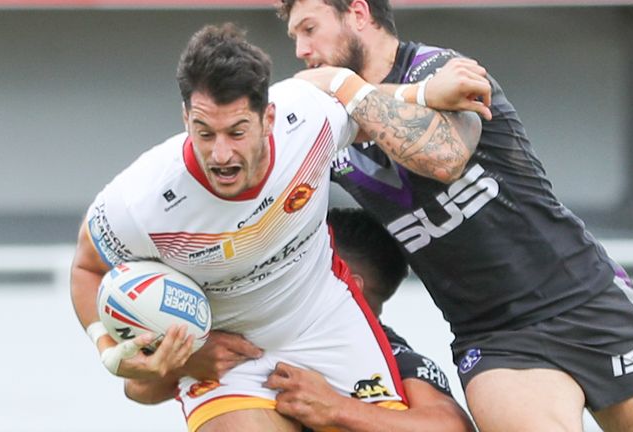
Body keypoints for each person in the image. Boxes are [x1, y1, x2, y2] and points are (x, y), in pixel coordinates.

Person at [70, 22, 486, 432]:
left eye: (237, 131)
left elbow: (367, 106)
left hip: (327, 322)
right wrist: (108, 349)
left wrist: (425, 93)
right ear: (185, 118)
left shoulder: (306, 118)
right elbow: (87, 268)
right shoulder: (141, 200)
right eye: (204, 132)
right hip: (232, 354)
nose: (220, 154)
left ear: (268, 117)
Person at [276, 1, 633, 431]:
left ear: (358, 13)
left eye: (309, 29)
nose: (300, 49)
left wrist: (339, 83)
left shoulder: (440, 69)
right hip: (494, 337)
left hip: (582, 295)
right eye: (295, 36)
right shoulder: (327, 121)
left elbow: (443, 157)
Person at [264, 207, 475, 432]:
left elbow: (452, 427)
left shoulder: (397, 360)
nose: (285, 277)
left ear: (348, 285)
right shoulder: (255, 330)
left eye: (304, 267)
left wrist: (337, 409)